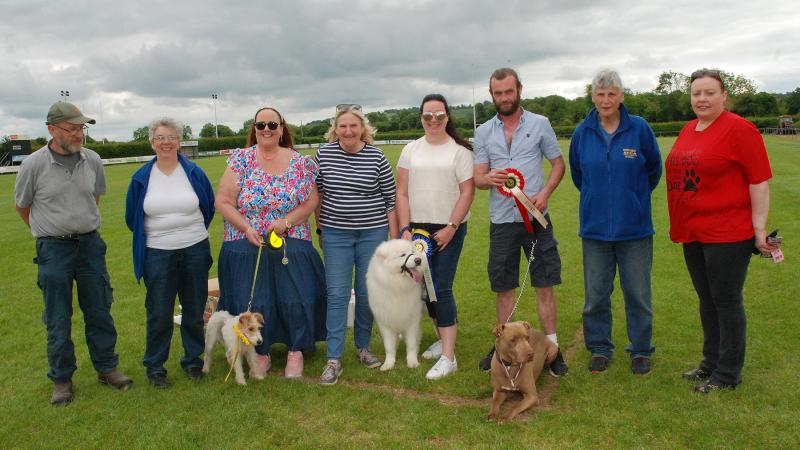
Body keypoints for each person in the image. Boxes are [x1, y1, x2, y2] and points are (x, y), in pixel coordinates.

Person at [666, 69, 778, 393]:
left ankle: (728, 374)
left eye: (709, 92)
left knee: (726, 301)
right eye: (696, 93)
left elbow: (758, 180)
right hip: (694, 232)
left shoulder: (740, 130)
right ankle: (710, 363)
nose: (701, 99)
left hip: (728, 233)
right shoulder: (690, 128)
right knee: (707, 300)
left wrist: (759, 230)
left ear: (723, 95)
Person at [14, 102, 133, 405]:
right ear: (52, 129)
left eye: (82, 127)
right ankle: (62, 379)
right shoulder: (33, 165)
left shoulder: (92, 159)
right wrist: (47, 231)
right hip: (53, 249)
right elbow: (23, 206)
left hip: (90, 246)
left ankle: (106, 368)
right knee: (57, 317)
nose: (80, 133)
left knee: (99, 309)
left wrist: (79, 225)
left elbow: (94, 198)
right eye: (73, 128)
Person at [215, 106, 326, 380]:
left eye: (272, 125)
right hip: (244, 241)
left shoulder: (301, 162)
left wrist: (287, 221)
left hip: (291, 239)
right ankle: (259, 354)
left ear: (281, 128)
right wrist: (247, 227)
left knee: (294, 297)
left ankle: (295, 350)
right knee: (254, 299)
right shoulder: (240, 160)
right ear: (254, 128)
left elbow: (312, 200)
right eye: (261, 125)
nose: (266, 129)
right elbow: (224, 202)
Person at [473, 67, 569, 376]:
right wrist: (489, 178)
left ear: (519, 90)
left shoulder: (540, 124)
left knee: (544, 284)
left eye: (508, 92)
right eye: (498, 93)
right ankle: (503, 350)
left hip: (537, 217)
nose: (504, 98)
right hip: (502, 221)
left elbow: (557, 164)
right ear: (492, 96)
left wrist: (545, 192)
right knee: (503, 287)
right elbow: (477, 178)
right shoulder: (484, 131)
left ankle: (553, 351)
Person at [569, 69, 662, 375]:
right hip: (595, 231)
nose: (606, 100)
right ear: (592, 97)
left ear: (622, 96)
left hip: (634, 230)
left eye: (612, 94)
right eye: (600, 94)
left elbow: (653, 172)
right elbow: (579, 176)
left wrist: (632, 199)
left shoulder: (639, 129)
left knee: (637, 294)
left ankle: (640, 350)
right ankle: (599, 347)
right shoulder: (583, 132)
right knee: (595, 296)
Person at [125, 117, 215, 388]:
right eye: (160, 138)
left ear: (179, 141)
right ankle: (155, 367)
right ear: (152, 142)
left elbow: (207, 207)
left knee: (194, 307)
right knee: (159, 312)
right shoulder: (141, 177)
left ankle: (193, 361)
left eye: (171, 137)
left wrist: (188, 233)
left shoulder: (194, 172)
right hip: (158, 253)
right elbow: (133, 218)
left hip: (195, 249)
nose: (166, 142)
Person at [315, 104, 398, 385]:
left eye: (354, 126)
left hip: (372, 234)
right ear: (335, 130)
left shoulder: (377, 157)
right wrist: (320, 228)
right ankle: (333, 358)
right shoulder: (323, 155)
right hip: (336, 235)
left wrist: (394, 240)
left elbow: (391, 200)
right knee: (337, 294)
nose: (348, 131)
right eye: (342, 126)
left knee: (366, 292)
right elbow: (318, 193)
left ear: (363, 128)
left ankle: (363, 347)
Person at [396, 94, 475, 380]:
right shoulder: (410, 150)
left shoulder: (461, 151)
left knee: (441, 287)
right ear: (421, 118)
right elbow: (402, 191)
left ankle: (448, 357)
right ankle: (443, 337)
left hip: (448, 228)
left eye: (439, 116)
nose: (433, 121)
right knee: (425, 289)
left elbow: (467, 192)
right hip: (417, 229)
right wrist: (405, 228)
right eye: (428, 116)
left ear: (447, 117)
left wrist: (452, 226)